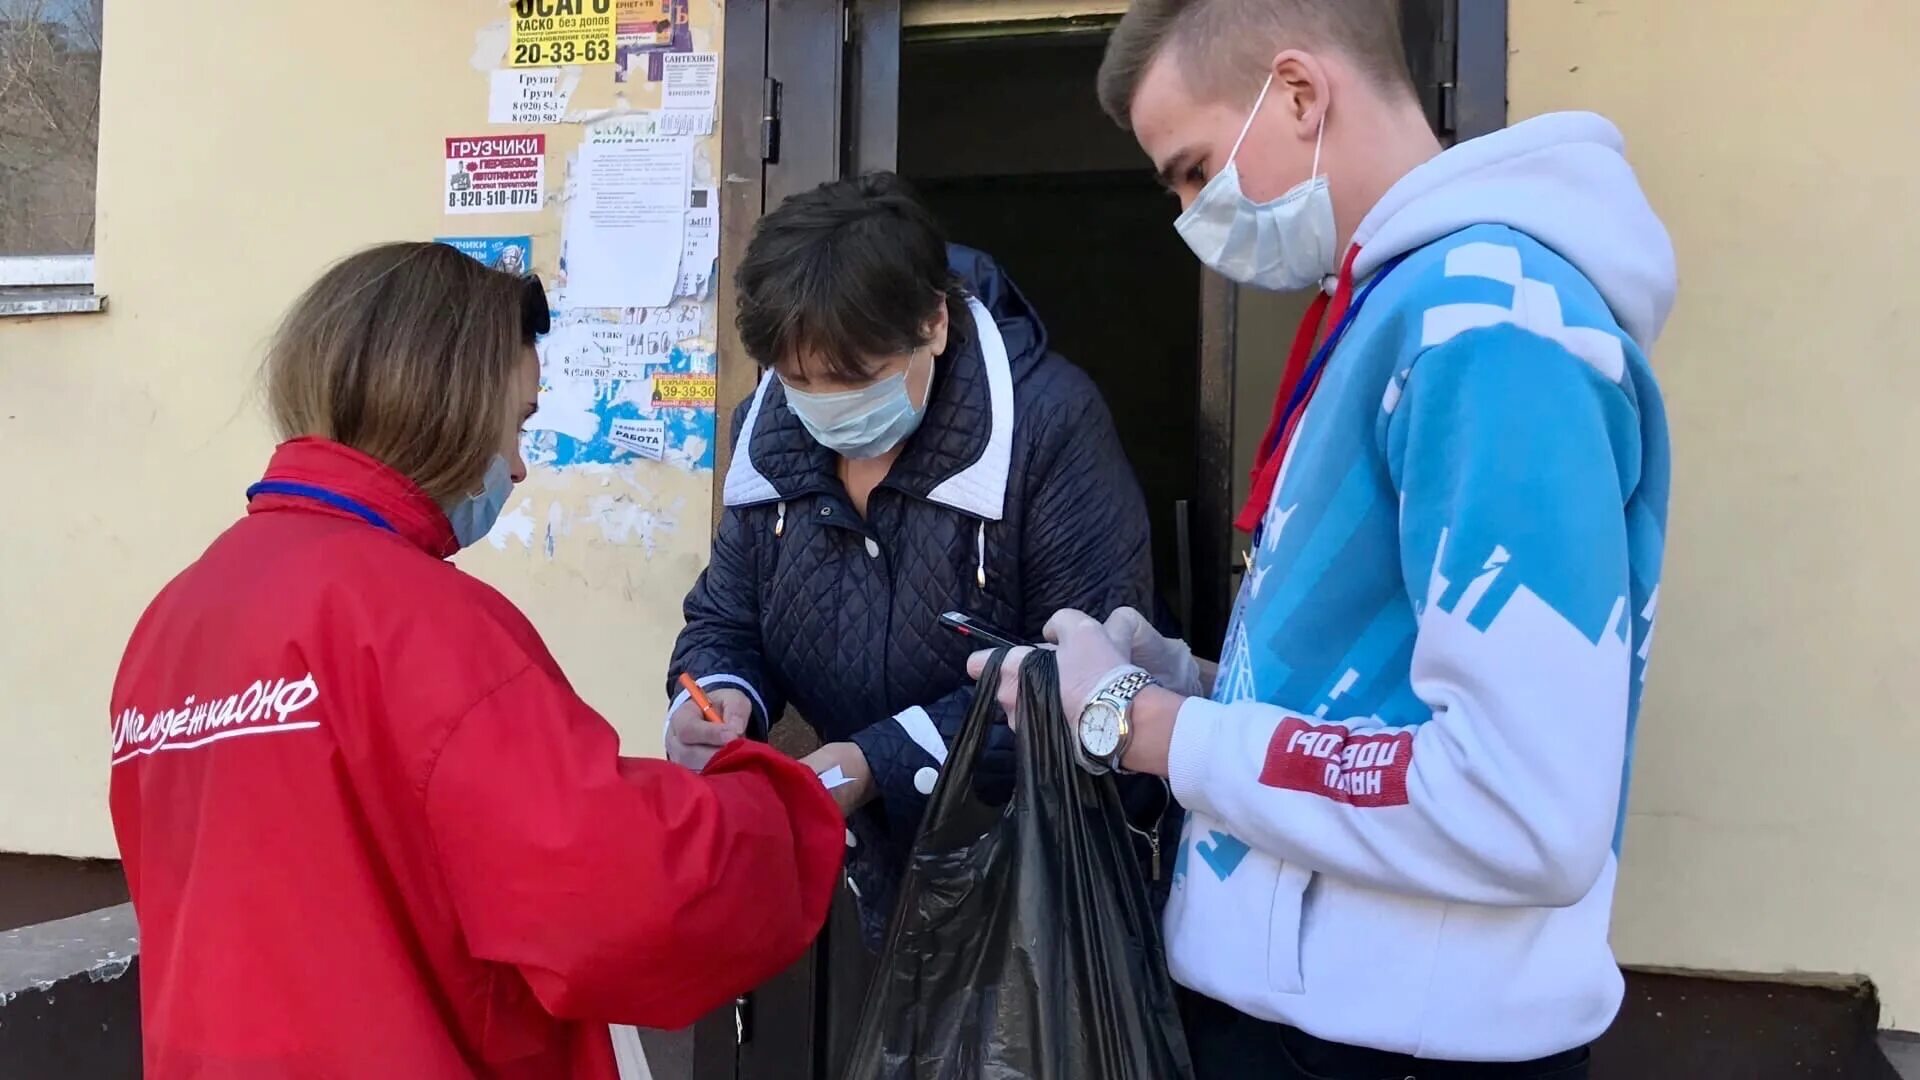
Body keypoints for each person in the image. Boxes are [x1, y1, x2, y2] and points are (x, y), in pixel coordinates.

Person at [975, 1, 1675, 1077]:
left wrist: (1141, 723)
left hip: (1388, 1041)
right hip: (1328, 1016)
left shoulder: (1489, 329)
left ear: (1299, 94)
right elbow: (1381, 700)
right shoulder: (1400, 309)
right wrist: (1194, 686)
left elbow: (1517, 801)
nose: (1190, 215)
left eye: (1196, 169)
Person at [109, 242, 845, 1079]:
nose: (522, 464)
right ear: (449, 405)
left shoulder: (177, 615)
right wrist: (796, 801)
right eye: (521, 421)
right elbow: (622, 891)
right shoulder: (419, 622)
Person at [664, 172, 1178, 949]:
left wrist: (878, 761)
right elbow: (725, 617)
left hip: (1044, 876)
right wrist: (712, 700)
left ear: (933, 323)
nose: (826, 404)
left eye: (855, 377)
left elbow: (1088, 673)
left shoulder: (1047, 423)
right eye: (801, 381)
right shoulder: (769, 428)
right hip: (885, 874)